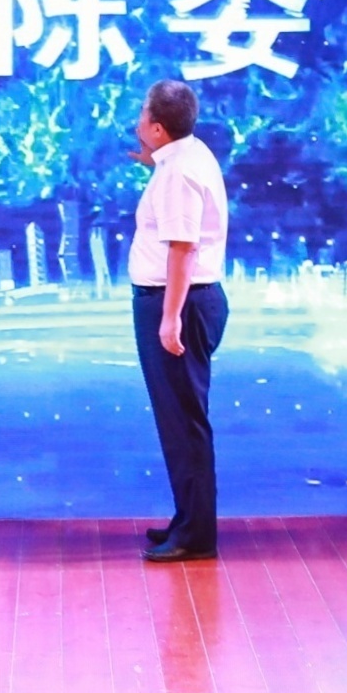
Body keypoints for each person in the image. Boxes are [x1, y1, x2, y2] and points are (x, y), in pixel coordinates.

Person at [130, 77, 232, 564]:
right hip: (186, 301)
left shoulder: (177, 174)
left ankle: (196, 533)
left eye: (142, 114)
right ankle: (188, 519)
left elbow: (183, 248)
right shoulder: (186, 156)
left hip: (180, 303)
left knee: (184, 421)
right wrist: (154, 165)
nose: (137, 121)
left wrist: (170, 318)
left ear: (156, 127)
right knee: (177, 419)